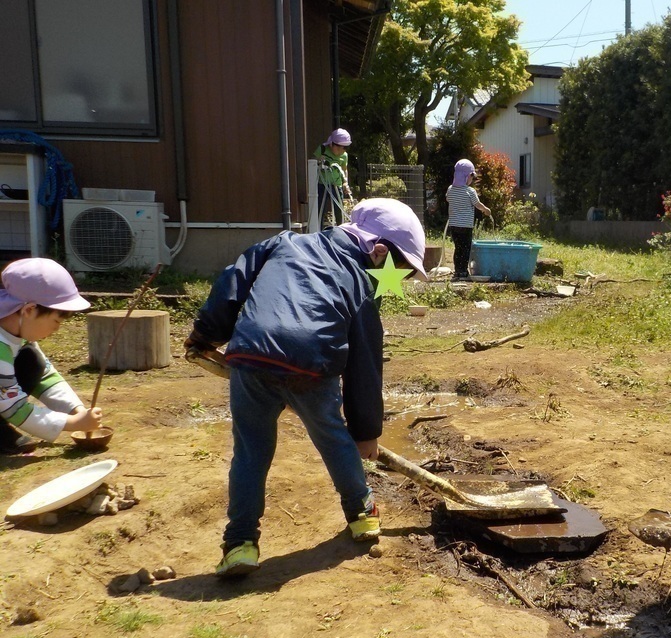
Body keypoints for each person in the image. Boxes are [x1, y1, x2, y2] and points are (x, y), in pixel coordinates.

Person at [185, 198, 427, 578]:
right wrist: (365, 433)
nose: (395, 281)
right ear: (378, 252)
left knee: (250, 450)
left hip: (253, 355)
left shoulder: (284, 243)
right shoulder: (362, 283)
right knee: (334, 436)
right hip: (314, 364)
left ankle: (240, 544)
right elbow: (365, 362)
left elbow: (232, 283)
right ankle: (362, 514)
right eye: (398, 271)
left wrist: (205, 335)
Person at [0, 259, 103, 455]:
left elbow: (45, 376)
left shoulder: (16, 334)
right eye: (56, 321)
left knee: (31, 360)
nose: (57, 329)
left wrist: (76, 410)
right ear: (29, 310)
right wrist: (72, 423)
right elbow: (15, 407)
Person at [446, 159, 491, 280]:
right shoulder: (470, 191)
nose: (472, 180)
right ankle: (463, 272)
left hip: (454, 226)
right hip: (466, 226)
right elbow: (477, 204)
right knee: (466, 249)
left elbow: (448, 199)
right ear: (467, 177)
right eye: (471, 177)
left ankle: (457, 271)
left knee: (458, 248)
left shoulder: (450, 189)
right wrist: (486, 210)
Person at [314, 128, 353, 227]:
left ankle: (341, 228)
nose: (341, 151)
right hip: (322, 184)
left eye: (344, 148)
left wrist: (345, 183)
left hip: (336, 184)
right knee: (320, 208)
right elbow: (313, 163)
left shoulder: (344, 155)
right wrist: (319, 161)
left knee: (339, 208)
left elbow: (344, 170)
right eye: (339, 147)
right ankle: (319, 228)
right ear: (332, 144)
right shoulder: (322, 149)